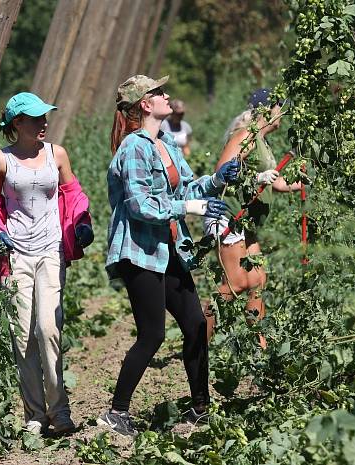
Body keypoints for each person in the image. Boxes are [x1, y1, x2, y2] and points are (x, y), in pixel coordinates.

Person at [97, 75, 240, 437]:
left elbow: (189, 187)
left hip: (169, 246)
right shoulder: (133, 148)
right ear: (145, 104)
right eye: (159, 92)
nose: (167, 96)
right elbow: (140, 205)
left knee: (194, 324)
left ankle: (200, 408)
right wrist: (190, 206)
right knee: (152, 335)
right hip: (139, 251)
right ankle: (116, 412)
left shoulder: (166, 142)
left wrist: (217, 180)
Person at [0, 92, 94, 437]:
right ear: (18, 124)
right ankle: (35, 416)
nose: (44, 123)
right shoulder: (1, 160)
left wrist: (82, 222)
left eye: (45, 117)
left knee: (48, 328)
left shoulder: (56, 154)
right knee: (23, 334)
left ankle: (60, 413)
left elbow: (73, 194)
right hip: (15, 257)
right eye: (36, 118)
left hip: (50, 251)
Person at [204, 88, 302, 348]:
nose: (282, 113)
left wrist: (301, 183)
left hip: (247, 222)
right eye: (279, 106)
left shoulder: (262, 141)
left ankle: (260, 344)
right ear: (265, 110)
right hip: (229, 215)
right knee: (235, 283)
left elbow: (277, 182)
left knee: (257, 280)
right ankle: (199, 342)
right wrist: (255, 179)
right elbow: (221, 173)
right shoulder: (245, 135)